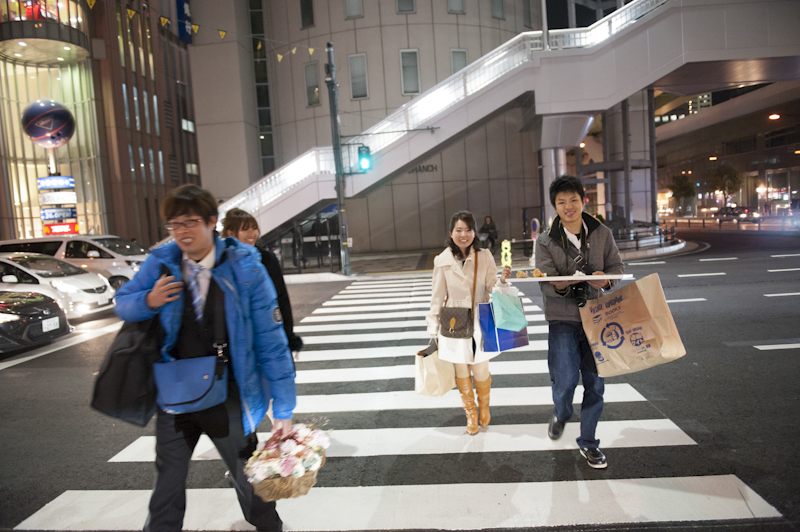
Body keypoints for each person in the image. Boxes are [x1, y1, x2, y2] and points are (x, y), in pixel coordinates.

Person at [114, 184, 296, 532]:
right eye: (174, 224)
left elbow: (271, 341)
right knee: (167, 480)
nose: (181, 231)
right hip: (175, 389)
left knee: (249, 476)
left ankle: (268, 527)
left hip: (229, 394)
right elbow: (123, 302)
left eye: (190, 222)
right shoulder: (162, 262)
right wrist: (148, 301)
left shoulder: (246, 268)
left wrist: (283, 408)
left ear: (212, 221)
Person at [535, 175, 624, 469]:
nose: (568, 206)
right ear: (555, 206)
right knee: (564, 380)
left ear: (583, 201)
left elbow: (616, 267)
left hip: (597, 318)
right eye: (562, 202)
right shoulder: (545, 241)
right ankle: (561, 412)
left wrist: (605, 280)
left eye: (573, 200)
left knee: (595, 384)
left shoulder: (601, 233)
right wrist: (561, 285)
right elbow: (545, 282)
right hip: (562, 318)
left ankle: (589, 442)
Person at [426, 211, 511, 435]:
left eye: (468, 230)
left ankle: (484, 404)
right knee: (461, 368)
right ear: (451, 233)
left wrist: (502, 281)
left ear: (474, 233)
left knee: (480, 367)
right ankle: (471, 413)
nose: (463, 235)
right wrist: (433, 327)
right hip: (454, 321)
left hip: (480, 319)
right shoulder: (442, 260)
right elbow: (437, 296)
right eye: (459, 230)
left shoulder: (484, 256)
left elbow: (492, 285)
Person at [221, 208, 303, 357]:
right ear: (230, 233)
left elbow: (281, 299)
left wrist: (289, 338)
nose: (251, 233)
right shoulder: (221, 263)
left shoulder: (267, 260)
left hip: (266, 333)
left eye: (254, 228)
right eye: (245, 229)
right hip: (235, 339)